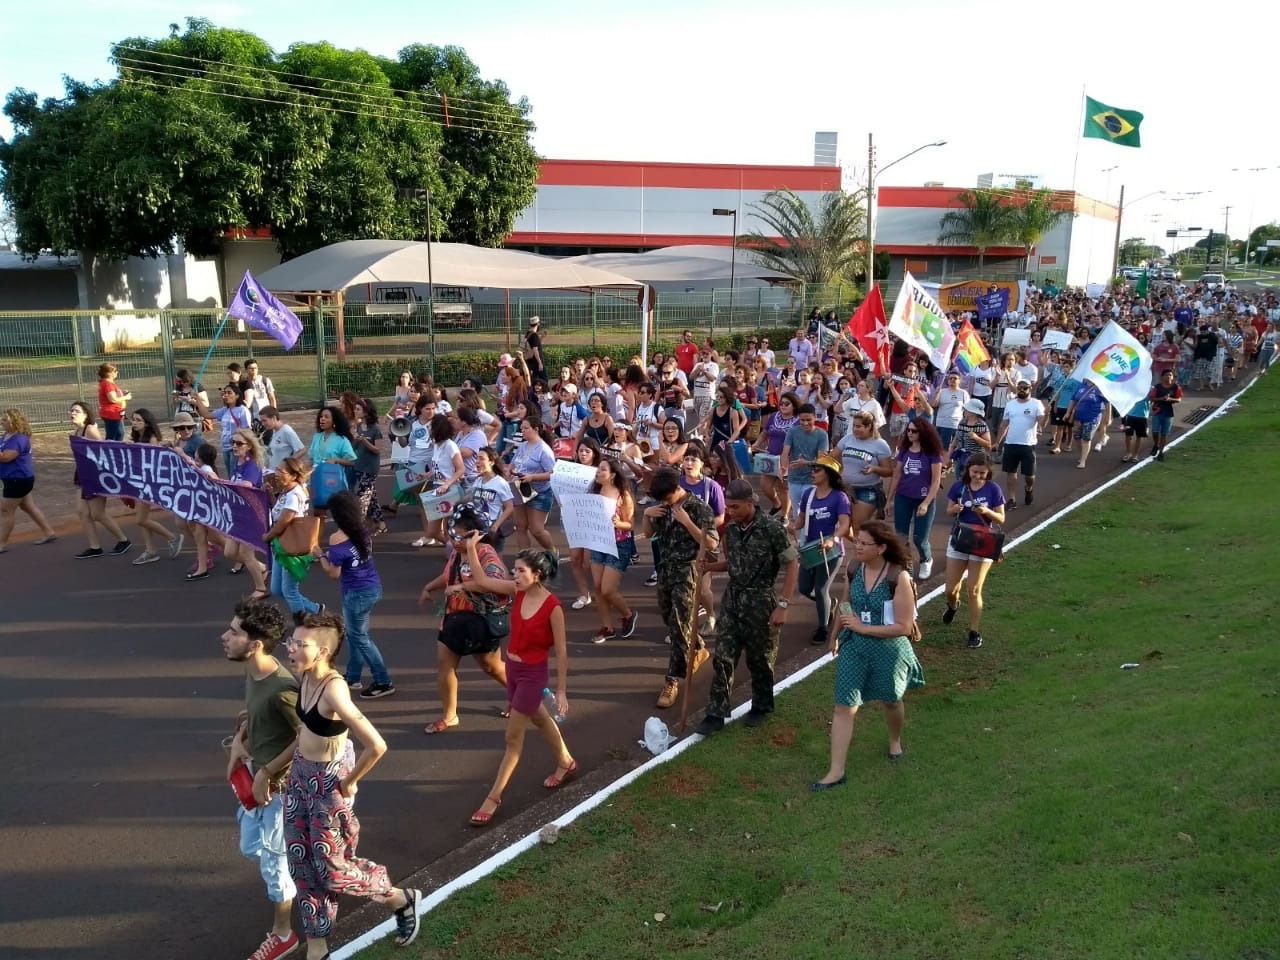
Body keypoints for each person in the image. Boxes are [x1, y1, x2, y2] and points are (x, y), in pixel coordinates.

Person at [282, 613, 422, 953]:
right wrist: (279, 769)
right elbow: (305, 731)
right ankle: (317, 945)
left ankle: (399, 898)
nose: (291, 648)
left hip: (327, 783)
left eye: (300, 644)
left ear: (322, 652)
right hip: (300, 776)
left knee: (332, 868)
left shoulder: (334, 689)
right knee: (300, 861)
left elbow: (377, 745)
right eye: (291, 641)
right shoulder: (305, 676)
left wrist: (350, 780)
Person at [458, 540, 577, 827]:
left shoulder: (553, 607)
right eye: (514, 570)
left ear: (537, 574)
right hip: (512, 669)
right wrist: (471, 547)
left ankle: (493, 797)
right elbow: (482, 581)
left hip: (532, 675)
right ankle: (566, 762)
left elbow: (561, 652)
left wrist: (561, 690)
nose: (515, 575)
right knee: (540, 717)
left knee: (512, 739)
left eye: (521, 570)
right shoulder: (517, 591)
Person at [812, 521, 925, 791]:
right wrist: (835, 633)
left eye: (864, 543)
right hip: (855, 647)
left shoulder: (898, 577)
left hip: (889, 650)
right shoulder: (854, 568)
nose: (857, 547)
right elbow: (846, 603)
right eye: (857, 542)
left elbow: (904, 627)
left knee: (891, 701)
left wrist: (864, 627)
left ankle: (894, 740)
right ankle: (836, 771)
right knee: (844, 706)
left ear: (881, 548)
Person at [219, 598, 301, 960]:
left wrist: (267, 773)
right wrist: (240, 743)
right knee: (250, 847)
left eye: (233, 633)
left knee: (274, 862)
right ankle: (308, 861)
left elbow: (307, 738)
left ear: (254, 645)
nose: (224, 637)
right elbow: (256, 714)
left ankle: (283, 935)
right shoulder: (254, 672)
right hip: (257, 780)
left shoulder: (283, 688)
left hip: (279, 791)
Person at [695, 478, 799, 735]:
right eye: (728, 507)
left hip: (761, 602)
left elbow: (792, 564)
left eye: (735, 507)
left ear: (750, 503)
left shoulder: (772, 528)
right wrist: (709, 567)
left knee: (760, 660)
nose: (730, 512)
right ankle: (716, 712)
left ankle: (761, 706)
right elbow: (732, 563)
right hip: (732, 600)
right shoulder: (731, 530)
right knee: (723, 657)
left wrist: (783, 604)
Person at [417, 505, 510, 732]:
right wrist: (428, 587)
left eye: (460, 536)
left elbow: (495, 584)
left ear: (475, 534)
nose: (454, 541)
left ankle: (519, 694)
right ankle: (450, 716)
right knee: (445, 665)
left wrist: (462, 587)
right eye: (452, 535)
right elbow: (448, 575)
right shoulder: (457, 553)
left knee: (491, 667)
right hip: (454, 618)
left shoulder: (486, 553)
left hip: (480, 621)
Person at [643, 467, 719, 709]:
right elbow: (648, 534)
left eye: (667, 498)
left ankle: (672, 680)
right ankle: (697, 647)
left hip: (688, 571)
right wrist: (647, 515)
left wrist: (687, 523)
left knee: (678, 625)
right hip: (665, 568)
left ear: (677, 489)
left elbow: (712, 543)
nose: (665, 503)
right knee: (670, 618)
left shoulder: (699, 508)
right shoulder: (663, 506)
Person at [317, 490, 394, 699]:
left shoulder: (336, 539)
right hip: (372, 587)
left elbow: (333, 573)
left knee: (360, 638)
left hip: (356, 593)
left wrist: (320, 555)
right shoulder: (364, 530)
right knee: (355, 634)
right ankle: (353, 676)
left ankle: (383, 681)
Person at [941, 453, 1006, 649]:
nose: (978, 476)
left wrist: (987, 512)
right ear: (968, 470)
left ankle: (974, 631)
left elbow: (1001, 518)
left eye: (982, 473)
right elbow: (948, 511)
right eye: (975, 472)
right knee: (950, 590)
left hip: (982, 542)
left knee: (974, 589)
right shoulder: (959, 487)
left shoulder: (993, 489)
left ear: (988, 473)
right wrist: (955, 509)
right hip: (959, 538)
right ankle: (953, 605)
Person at [787, 452, 851, 644]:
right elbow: (801, 519)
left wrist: (833, 540)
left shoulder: (840, 497)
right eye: (813, 469)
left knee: (821, 589)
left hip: (830, 551)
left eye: (817, 469)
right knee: (804, 588)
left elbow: (845, 524)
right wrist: (793, 526)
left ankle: (822, 628)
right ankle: (828, 605)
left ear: (828, 474)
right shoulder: (808, 494)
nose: (812, 472)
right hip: (810, 549)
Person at [68, 401, 132, 558]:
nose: (72, 413)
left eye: (76, 411)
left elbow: (104, 452)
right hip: (82, 475)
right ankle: (94, 547)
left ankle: (123, 540)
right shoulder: (77, 431)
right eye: (71, 411)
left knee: (97, 514)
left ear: (85, 414)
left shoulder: (90, 430)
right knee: (83, 513)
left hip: (95, 476)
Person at [262, 457, 323, 622]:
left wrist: (268, 536)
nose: (276, 474)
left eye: (281, 471)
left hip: (293, 548)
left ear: (294, 475)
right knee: (277, 589)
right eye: (277, 469)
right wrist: (271, 495)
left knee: (289, 590)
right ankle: (315, 609)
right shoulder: (287, 491)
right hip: (282, 546)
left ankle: (303, 624)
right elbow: (279, 511)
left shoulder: (295, 495)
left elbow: (284, 521)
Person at [587, 457, 638, 644]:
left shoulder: (623, 495)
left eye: (603, 470)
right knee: (598, 587)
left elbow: (630, 525)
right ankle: (607, 627)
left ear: (612, 475)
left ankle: (628, 614)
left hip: (618, 546)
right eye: (598, 469)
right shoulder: (594, 492)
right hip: (598, 543)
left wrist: (618, 523)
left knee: (607, 589)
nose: (598, 472)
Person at [885, 419, 943, 580]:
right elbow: (897, 475)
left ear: (923, 433)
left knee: (920, 537)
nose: (910, 433)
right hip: (903, 497)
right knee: (901, 535)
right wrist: (889, 500)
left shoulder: (932, 453)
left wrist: (926, 503)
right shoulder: (904, 450)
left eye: (914, 431)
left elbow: (936, 481)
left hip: (923, 499)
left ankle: (926, 559)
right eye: (908, 430)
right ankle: (907, 564)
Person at [127, 410, 183, 565]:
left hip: (148, 483)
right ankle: (151, 550)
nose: (134, 422)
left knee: (141, 519)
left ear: (146, 423)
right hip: (139, 481)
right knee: (143, 519)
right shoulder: (137, 438)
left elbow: (152, 460)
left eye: (138, 420)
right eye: (133, 419)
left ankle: (172, 537)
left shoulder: (151, 438)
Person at [0, 408, 59, 553]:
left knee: (6, 511)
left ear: (14, 421)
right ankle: (49, 532)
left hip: (18, 480)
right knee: (28, 506)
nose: (2, 422)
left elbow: (6, 457)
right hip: (14, 478)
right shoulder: (6, 435)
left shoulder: (19, 439)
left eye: (5, 420)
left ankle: (1, 543)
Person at [837, 411, 894, 534]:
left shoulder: (880, 444)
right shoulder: (848, 439)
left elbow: (889, 471)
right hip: (845, 489)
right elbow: (832, 458)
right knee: (843, 527)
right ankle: (870, 545)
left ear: (869, 426)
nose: (855, 429)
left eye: (859, 426)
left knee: (857, 526)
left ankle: (865, 545)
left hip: (867, 490)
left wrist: (874, 469)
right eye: (854, 426)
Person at [509, 417, 558, 554]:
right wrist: (509, 470)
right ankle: (524, 558)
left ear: (536, 429)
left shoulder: (544, 450)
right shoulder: (523, 446)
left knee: (536, 530)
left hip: (540, 493)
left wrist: (532, 477)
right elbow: (514, 462)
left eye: (526, 428)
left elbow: (553, 473)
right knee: (520, 526)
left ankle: (553, 552)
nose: (522, 431)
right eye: (521, 428)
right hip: (520, 489)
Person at [995, 380, 1047, 508]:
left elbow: (1041, 423)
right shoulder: (1010, 404)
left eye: (1025, 388)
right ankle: (1012, 499)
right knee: (1011, 473)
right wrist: (997, 442)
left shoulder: (1036, 404)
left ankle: (1028, 488)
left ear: (1030, 389)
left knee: (1030, 476)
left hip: (1028, 445)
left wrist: (1046, 415)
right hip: (1011, 443)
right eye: (1019, 388)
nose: (1021, 390)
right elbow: (1004, 424)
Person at [780, 402, 828, 519]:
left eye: (808, 420)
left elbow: (822, 460)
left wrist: (806, 463)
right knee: (796, 513)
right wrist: (783, 468)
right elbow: (785, 452)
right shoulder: (792, 432)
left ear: (815, 417)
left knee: (810, 512)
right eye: (802, 420)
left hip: (812, 480)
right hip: (794, 479)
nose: (805, 423)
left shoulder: (822, 435)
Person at [349, 399, 386, 535]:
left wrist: (364, 441)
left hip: (371, 468)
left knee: (362, 496)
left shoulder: (375, 429)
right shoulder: (358, 427)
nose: (355, 411)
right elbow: (354, 447)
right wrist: (354, 437)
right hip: (360, 466)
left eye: (358, 409)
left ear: (366, 412)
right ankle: (381, 524)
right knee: (372, 497)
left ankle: (358, 527)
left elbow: (377, 450)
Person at [1064, 381, 1107, 469]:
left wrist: (1108, 417)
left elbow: (1107, 403)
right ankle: (1082, 454)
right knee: (1077, 437)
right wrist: (1068, 412)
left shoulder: (1099, 388)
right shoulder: (1081, 385)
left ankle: (1083, 460)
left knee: (1085, 439)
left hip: (1092, 418)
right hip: (1078, 417)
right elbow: (1073, 399)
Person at [215, 385, 254, 477]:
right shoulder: (225, 410)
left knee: (235, 474)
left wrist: (242, 446)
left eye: (229, 393)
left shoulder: (242, 410)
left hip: (236, 447)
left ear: (237, 395)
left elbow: (247, 431)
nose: (226, 395)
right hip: (225, 447)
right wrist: (196, 400)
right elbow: (206, 414)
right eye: (225, 393)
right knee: (230, 475)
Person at [1148, 368, 1182, 462]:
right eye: (1166, 375)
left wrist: (1170, 399)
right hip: (1157, 412)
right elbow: (1152, 398)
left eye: (1170, 375)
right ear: (1162, 377)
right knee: (1155, 431)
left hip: (1168, 413)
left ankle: (1161, 452)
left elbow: (1179, 399)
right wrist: (1162, 398)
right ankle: (1156, 445)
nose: (1168, 377)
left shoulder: (1176, 387)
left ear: (1173, 377)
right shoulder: (1157, 387)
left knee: (1164, 433)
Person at [260, 407, 304, 473]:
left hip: (282, 474)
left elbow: (302, 450)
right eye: (262, 421)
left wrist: (287, 465)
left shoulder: (286, 431)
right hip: (272, 472)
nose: (263, 424)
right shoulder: (274, 431)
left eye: (264, 420)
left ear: (274, 418)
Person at [96, 363, 131, 442]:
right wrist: (126, 397)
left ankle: (113, 447)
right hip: (112, 413)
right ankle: (112, 448)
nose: (117, 372)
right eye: (115, 371)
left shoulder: (108, 384)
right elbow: (113, 399)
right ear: (109, 373)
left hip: (114, 413)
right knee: (117, 434)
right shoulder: (107, 384)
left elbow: (112, 394)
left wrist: (121, 392)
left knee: (117, 433)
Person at [241, 359, 277, 429]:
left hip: (266, 416)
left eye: (255, 368)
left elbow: (272, 398)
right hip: (251, 418)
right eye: (251, 368)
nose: (254, 370)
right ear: (246, 370)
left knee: (268, 435)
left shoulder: (265, 380)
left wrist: (274, 414)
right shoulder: (244, 384)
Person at [524, 316, 546, 383]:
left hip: (530, 361)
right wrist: (540, 363)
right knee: (544, 380)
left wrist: (541, 337)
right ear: (538, 324)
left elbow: (534, 344)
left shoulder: (528, 333)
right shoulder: (534, 335)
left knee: (534, 381)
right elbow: (535, 349)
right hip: (536, 362)